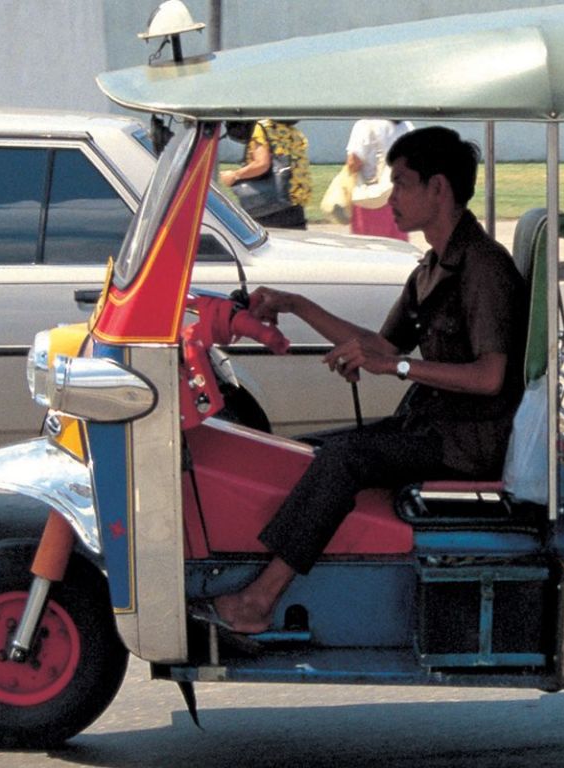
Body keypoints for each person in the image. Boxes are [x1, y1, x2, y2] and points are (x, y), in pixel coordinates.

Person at [200, 127, 527, 635]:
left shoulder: (483, 268)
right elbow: (383, 345)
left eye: (402, 184)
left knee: (344, 460)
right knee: (303, 452)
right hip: (432, 427)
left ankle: (258, 602)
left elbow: (490, 377)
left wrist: (396, 369)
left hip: (467, 443)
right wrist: (297, 305)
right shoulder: (433, 266)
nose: (391, 197)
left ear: (438, 189)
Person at [220, 119, 312, 229]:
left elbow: (261, 164)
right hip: (294, 203)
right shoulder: (292, 131)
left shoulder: (262, 127)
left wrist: (234, 175)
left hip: (270, 204)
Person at [344, 118, 414, 240]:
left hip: (372, 198)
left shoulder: (365, 124)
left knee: (367, 246)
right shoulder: (407, 126)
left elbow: (353, 162)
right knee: (398, 247)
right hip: (401, 200)